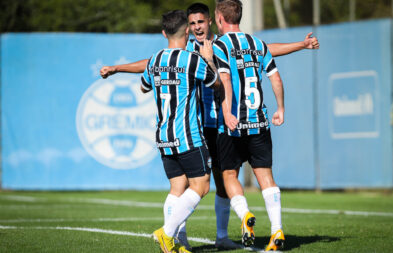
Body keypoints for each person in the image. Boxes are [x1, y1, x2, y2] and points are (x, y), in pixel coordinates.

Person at [100, 2, 319, 250]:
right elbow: (151, 63)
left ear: (211, 21)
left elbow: (268, 50)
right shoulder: (190, 51)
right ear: (187, 28)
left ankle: (221, 237)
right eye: (191, 24)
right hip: (202, 125)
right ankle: (177, 237)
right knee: (193, 184)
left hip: (221, 124)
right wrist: (119, 68)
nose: (196, 28)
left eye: (200, 22)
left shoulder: (220, 45)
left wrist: (301, 45)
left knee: (222, 181)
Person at [140, 10, 218, 253]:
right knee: (202, 186)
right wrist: (209, 58)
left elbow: (144, 87)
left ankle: (175, 244)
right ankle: (167, 232)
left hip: (164, 136)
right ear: (187, 31)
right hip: (188, 135)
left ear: (164, 33)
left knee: (177, 188)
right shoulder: (191, 59)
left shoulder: (154, 60)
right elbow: (215, 82)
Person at [212, 0, 286, 250]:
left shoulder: (220, 44)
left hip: (233, 125)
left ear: (220, 18)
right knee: (265, 175)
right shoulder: (257, 43)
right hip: (260, 121)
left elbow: (225, 80)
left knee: (229, 174)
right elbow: (275, 77)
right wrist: (281, 108)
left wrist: (227, 113)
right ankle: (277, 232)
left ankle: (244, 216)